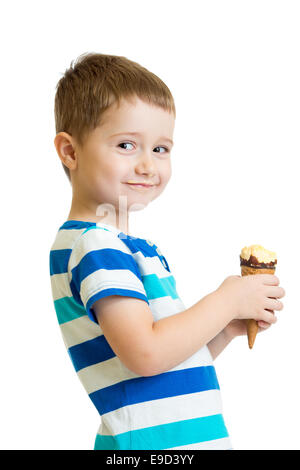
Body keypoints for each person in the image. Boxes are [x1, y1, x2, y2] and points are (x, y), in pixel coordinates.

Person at [49, 52, 285, 450]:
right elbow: (147, 354)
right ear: (71, 152)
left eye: (161, 149)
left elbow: (164, 363)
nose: (147, 165)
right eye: (127, 145)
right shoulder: (96, 246)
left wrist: (223, 330)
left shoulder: (130, 249)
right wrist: (225, 301)